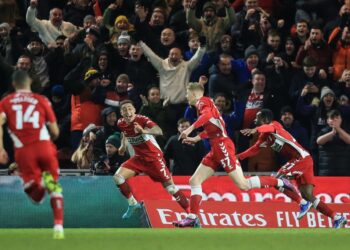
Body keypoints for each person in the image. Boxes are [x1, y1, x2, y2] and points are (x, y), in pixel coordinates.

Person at [173, 83, 295, 228]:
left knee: (243, 185)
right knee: (194, 181)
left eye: (187, 93)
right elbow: (213, 128)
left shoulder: (202, 103)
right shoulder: (207, 105)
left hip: (222, 146)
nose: (186, 96)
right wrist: (196, 138)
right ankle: (192, 217)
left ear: (193, 94)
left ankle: (278, 181)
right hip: (216, 147)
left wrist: (190, 129)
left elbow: (208, 116)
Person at [238, 109, 347, 229]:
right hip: (304, 159)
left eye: (257, 118)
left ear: (264, 120)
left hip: (300, 159)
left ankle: (302, 203)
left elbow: (268, 128)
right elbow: (254, 149)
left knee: (278, 179)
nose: (254, 120)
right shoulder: (265, 136)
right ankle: (337, 218)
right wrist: (237, 157)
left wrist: (255, 129)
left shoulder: (274, 125)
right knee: (308, 195)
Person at [0, 71, 64, 239]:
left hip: (24, 151)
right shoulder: (42, 100)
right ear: (29, 82)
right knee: (55, 186)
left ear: (14, 84)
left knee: (35, 197)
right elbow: (56, 131)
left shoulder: (6, 101)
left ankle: (40, 182)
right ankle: (58, 226)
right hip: (45, 147)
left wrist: (1, 149)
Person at [113, 100, 189, 219]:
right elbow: (125, 133)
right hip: (138, 158)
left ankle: (192, 216)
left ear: (134, 110)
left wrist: (144, 131)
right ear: (121, 113)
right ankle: (133, 204)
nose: (127, 112)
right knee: (118, 177)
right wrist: (123, 145)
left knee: (171, 188)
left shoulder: (142, 120)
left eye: (129, 108)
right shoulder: (120, 123)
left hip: (154, 158)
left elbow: (159, 131)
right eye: (124, 110)